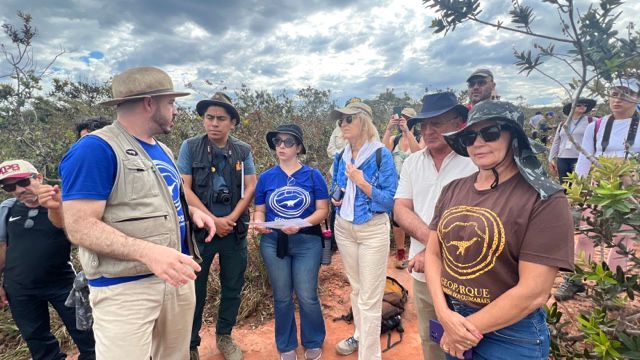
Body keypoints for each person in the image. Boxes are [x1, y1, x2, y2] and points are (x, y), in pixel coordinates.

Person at [59, 67, 216, 359]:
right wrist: (149, 253)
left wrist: (192, 211)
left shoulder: (163, 151)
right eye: (170, 103)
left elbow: (159, 200)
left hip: (175, 279)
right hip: (125, 289)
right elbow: (80, 226)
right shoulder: (95, 149)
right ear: (149, 103)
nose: (175, 111)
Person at [425, 101, 574, 359]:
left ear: (513, 137)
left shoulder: (543, 198)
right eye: (470, 137)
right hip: (452, 318)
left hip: (509, 334)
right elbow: (433, 253)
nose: (478, 143)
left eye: (490, 133)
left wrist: (464, 330)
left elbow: (534, 292)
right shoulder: (453, 189)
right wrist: (444, 314)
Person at [393, 92, 477, 360]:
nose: (428, 131)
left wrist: (429, 251)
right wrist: (433, 246)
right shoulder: (413, 163)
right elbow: (400, 209)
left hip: (468, 276)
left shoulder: (475, 161)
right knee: (432, 340)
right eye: (424, 125)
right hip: (422, 273)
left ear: (459, 123)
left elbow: (480, 219)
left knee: (469, 342)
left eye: (437, 123)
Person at [177, 92, 257, 360]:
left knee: (232, 286)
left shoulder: (243, 150)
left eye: (221, 118)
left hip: (234, 231)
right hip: (201, 233)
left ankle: (224, 336)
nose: (214, 123)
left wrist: (230, 219)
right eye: (209, 117)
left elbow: (250, 187)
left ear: (232, 122)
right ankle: (190, 343)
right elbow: (184, 187)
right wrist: (212, 220)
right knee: (194, 290)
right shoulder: (190, 147)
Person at [0, 160, 96, 360]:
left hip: (62, 283)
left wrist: (55, 206)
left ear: (39, 177)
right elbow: (2, 247)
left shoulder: (63, 202)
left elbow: (75, 235)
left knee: (87, 334)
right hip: (19, 287)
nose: (18, 190)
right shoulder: (8, 209)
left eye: (23, 181)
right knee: (36, 339)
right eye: (10, 186)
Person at [556, 77, 640, 301]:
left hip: (630, 192)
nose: (618, 99)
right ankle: (576, 279)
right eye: (614, 93)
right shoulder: (597, 126)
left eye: (626, 93)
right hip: (599, 187)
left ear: (637, 97)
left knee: (624, 239)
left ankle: (612, 286)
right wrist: (579, 191)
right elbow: (585, 159)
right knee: (586, 235)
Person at [253, 124, 329, 360]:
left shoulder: (313, 175)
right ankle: (286, 344)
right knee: (282, 295)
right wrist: (259, 223)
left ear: (298, 147)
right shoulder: (266, 178)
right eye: (278, 142)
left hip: (307, 242)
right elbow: (259, 210)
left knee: (307, 294)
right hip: (274, 242)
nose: (282, 146)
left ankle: (313, 340)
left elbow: (323, 210)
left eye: (288, 142)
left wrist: (301, 224)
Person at [329, 100, 398, 360]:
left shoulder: (381, 155)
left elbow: (389, 200)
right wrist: (336, 197)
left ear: (364, 122)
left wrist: (362, 182)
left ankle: (370, 356)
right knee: (357, 289)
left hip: (372, 230)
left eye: (348, 119)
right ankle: (360, 335)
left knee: (370, 297)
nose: (342, 124)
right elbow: (335, 187)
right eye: (341, 120)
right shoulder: (341, 155)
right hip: (344, 227)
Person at [382, 107, 421, 269]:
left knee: (418, 219)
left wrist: (407, 132)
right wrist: (388, 128)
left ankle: (420, 252)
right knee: (397, 219)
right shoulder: (394, 139)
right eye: (401, 118)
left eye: (407, 119)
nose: (403, 121)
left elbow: (419, 153)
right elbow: (382, 151)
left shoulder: (420, 137)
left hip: (416, 185)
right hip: (397, 186)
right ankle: (400, 252)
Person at [548, 98, 597, 183]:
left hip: (581, 158)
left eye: (585, 105)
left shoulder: (592, 121)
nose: (582, 107)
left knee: (579, 186)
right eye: (578, 105)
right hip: (562, 159)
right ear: (572, 107)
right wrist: (551, 158)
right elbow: (556, 142)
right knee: (565, 186)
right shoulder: (563, 124)